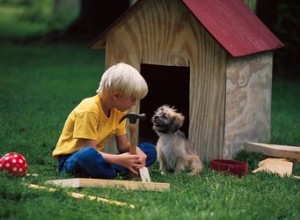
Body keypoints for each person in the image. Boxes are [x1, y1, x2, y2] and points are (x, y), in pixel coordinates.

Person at [52, 62, 157, 179]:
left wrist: (137, 151)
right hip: (73, 159)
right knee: (88, 155)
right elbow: (89, 150)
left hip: (98, 158)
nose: (135, 103)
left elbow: (123, 146)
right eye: (133, 99)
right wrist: (119, 159)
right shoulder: (89, 110)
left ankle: (111, 170)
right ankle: (115, 171)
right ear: (116, 96)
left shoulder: (119, 112)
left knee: (150, 150)